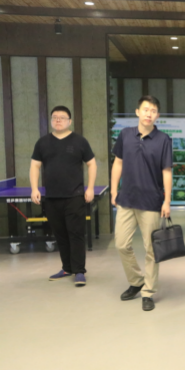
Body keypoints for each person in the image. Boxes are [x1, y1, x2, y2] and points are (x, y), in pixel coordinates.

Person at [111, 95, 172, 312]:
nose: (149, 114)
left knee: (151, 250)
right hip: (127, 199)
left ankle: (148, 291)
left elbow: (167, 171)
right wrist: (114, 190)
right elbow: (118, 163)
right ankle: (137, 281)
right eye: (146, 109)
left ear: (157, 115)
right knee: (121, 244)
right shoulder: (125, 135)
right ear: (138, 112)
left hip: (151, 201)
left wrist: (167, 200)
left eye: (153, 111)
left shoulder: (163, 139)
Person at [30, 106, 97, 286]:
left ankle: (79, 271)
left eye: (62, 117)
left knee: (76, 234)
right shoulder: (42, 142)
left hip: (75, 196)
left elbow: (91, 164)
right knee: (60, 235)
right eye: (55, 117)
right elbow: (35, 166)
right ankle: (67, 268)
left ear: (70, 121)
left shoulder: (80, 141)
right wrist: (34, 188)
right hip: (52, 197)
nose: (58, 120)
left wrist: (90, 188)